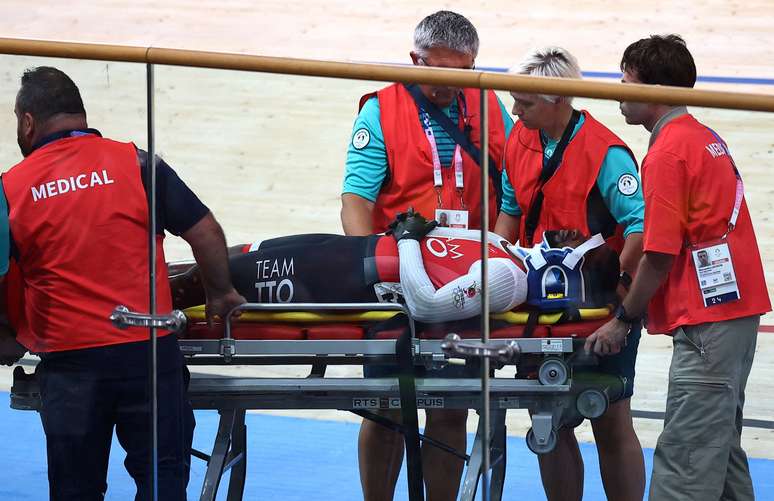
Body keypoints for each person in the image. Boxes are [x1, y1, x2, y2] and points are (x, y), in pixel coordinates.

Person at [0, 66, 246, 501]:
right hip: (146, 351)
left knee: (76, 488)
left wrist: (7, 334)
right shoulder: (136, 163)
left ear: (27, 122)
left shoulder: (10, 188)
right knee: (162, 480)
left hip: (70, 362)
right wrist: (220, 294)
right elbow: (205, 232)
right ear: (80, 114)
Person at [586, 34, 771, 501]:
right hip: (732, 316)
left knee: (685, 462)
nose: (618, 90)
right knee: (720, 452)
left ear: (656, 89)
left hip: (710, 325)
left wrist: (624, 318)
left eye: (626, 80)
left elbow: (660, 253)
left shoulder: (667, 153)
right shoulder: (703, 138)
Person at [340, 10, 513, 500]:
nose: (449, 86)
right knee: (385, 407)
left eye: (462, 74)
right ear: (414, 59)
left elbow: (513, 190)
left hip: (464, 284)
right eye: (438, 74)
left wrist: (498, 253)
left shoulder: (488, 104)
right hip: (399, 280)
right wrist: (370, 274)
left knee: (451, 407)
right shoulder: (380, 110)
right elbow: (356, 204)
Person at [494, 47, 646, 501]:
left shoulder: (606, 152)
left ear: (560, 99)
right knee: (546, 419)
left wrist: (615, 286)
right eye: (514, 100)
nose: (514, 111)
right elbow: (509, 211)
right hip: (538, 304)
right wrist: (499, 270)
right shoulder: (519, 139)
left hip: (599, 306)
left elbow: (641, 227)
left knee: (610, 419)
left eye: (525, 103)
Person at [172, 210, 620, 325]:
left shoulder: (507, 281)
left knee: (214, 278)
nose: (571, 231)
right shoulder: (509, 252)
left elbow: (426, 305)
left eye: (579, 241)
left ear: (568, 271)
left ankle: (139, 294)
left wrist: (407, 240)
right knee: (237, 254)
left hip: (347, 278)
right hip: (352, 252)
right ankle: (148, 272)